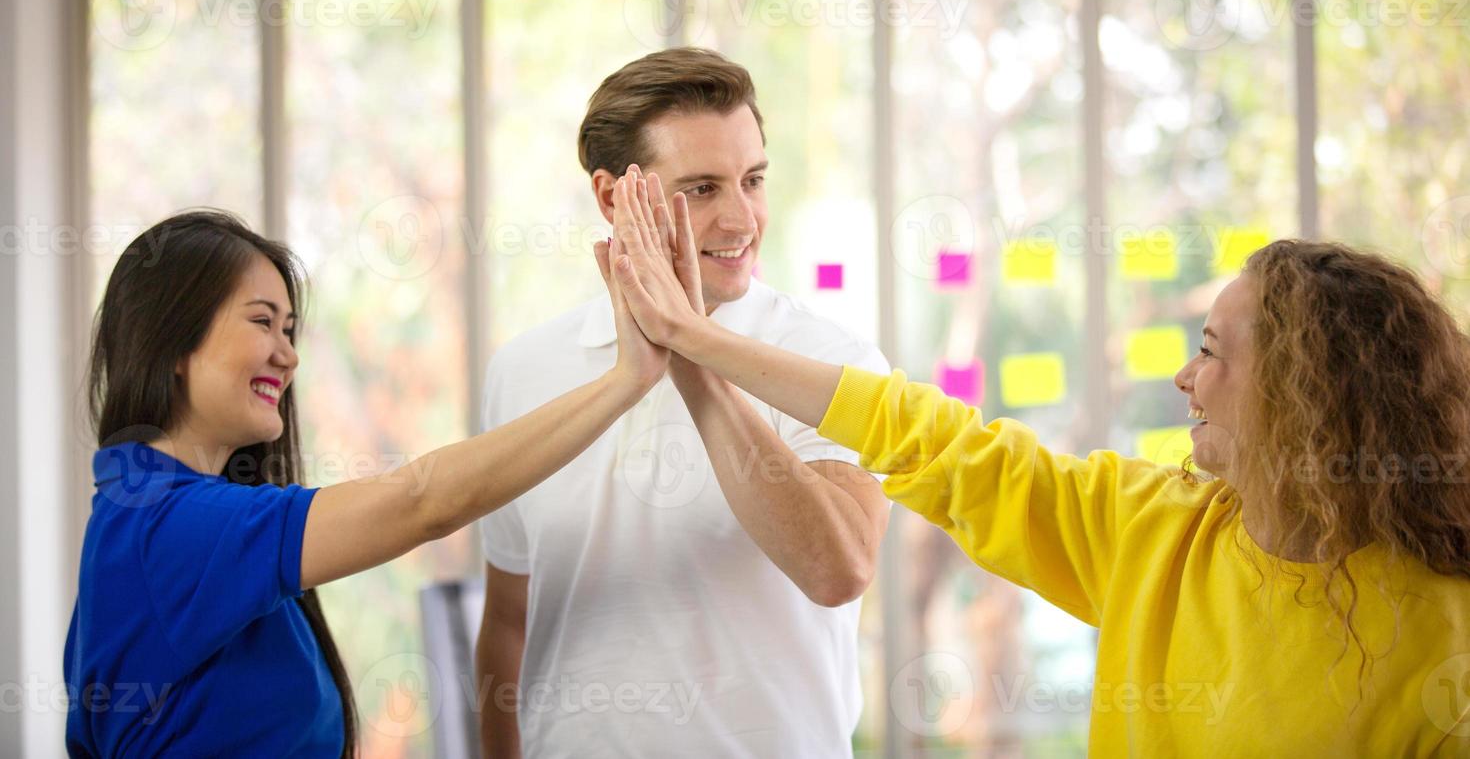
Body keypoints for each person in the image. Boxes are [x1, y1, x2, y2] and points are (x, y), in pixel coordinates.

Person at [608, 166, 1470, 756]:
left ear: (1302, 396)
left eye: (1210, 351)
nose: (1184, 375)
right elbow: (931, 439)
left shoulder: (1444, 627)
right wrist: (697, 339)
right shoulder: (1149, 527)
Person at [64, 209, 667, 757]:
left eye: (290, 329)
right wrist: (625, 382)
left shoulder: (171, 517)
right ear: (172, 341)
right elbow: (422, 502)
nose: (288, 355)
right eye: (262, 322)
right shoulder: (168, 529)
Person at [474, 48, 890, 758]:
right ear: (613, 200)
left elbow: (838, 567)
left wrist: (690, 347)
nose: (741, 220)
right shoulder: (522, 371)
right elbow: (510, 619)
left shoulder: (835, 361)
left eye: (752, 180)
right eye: (700, 189)